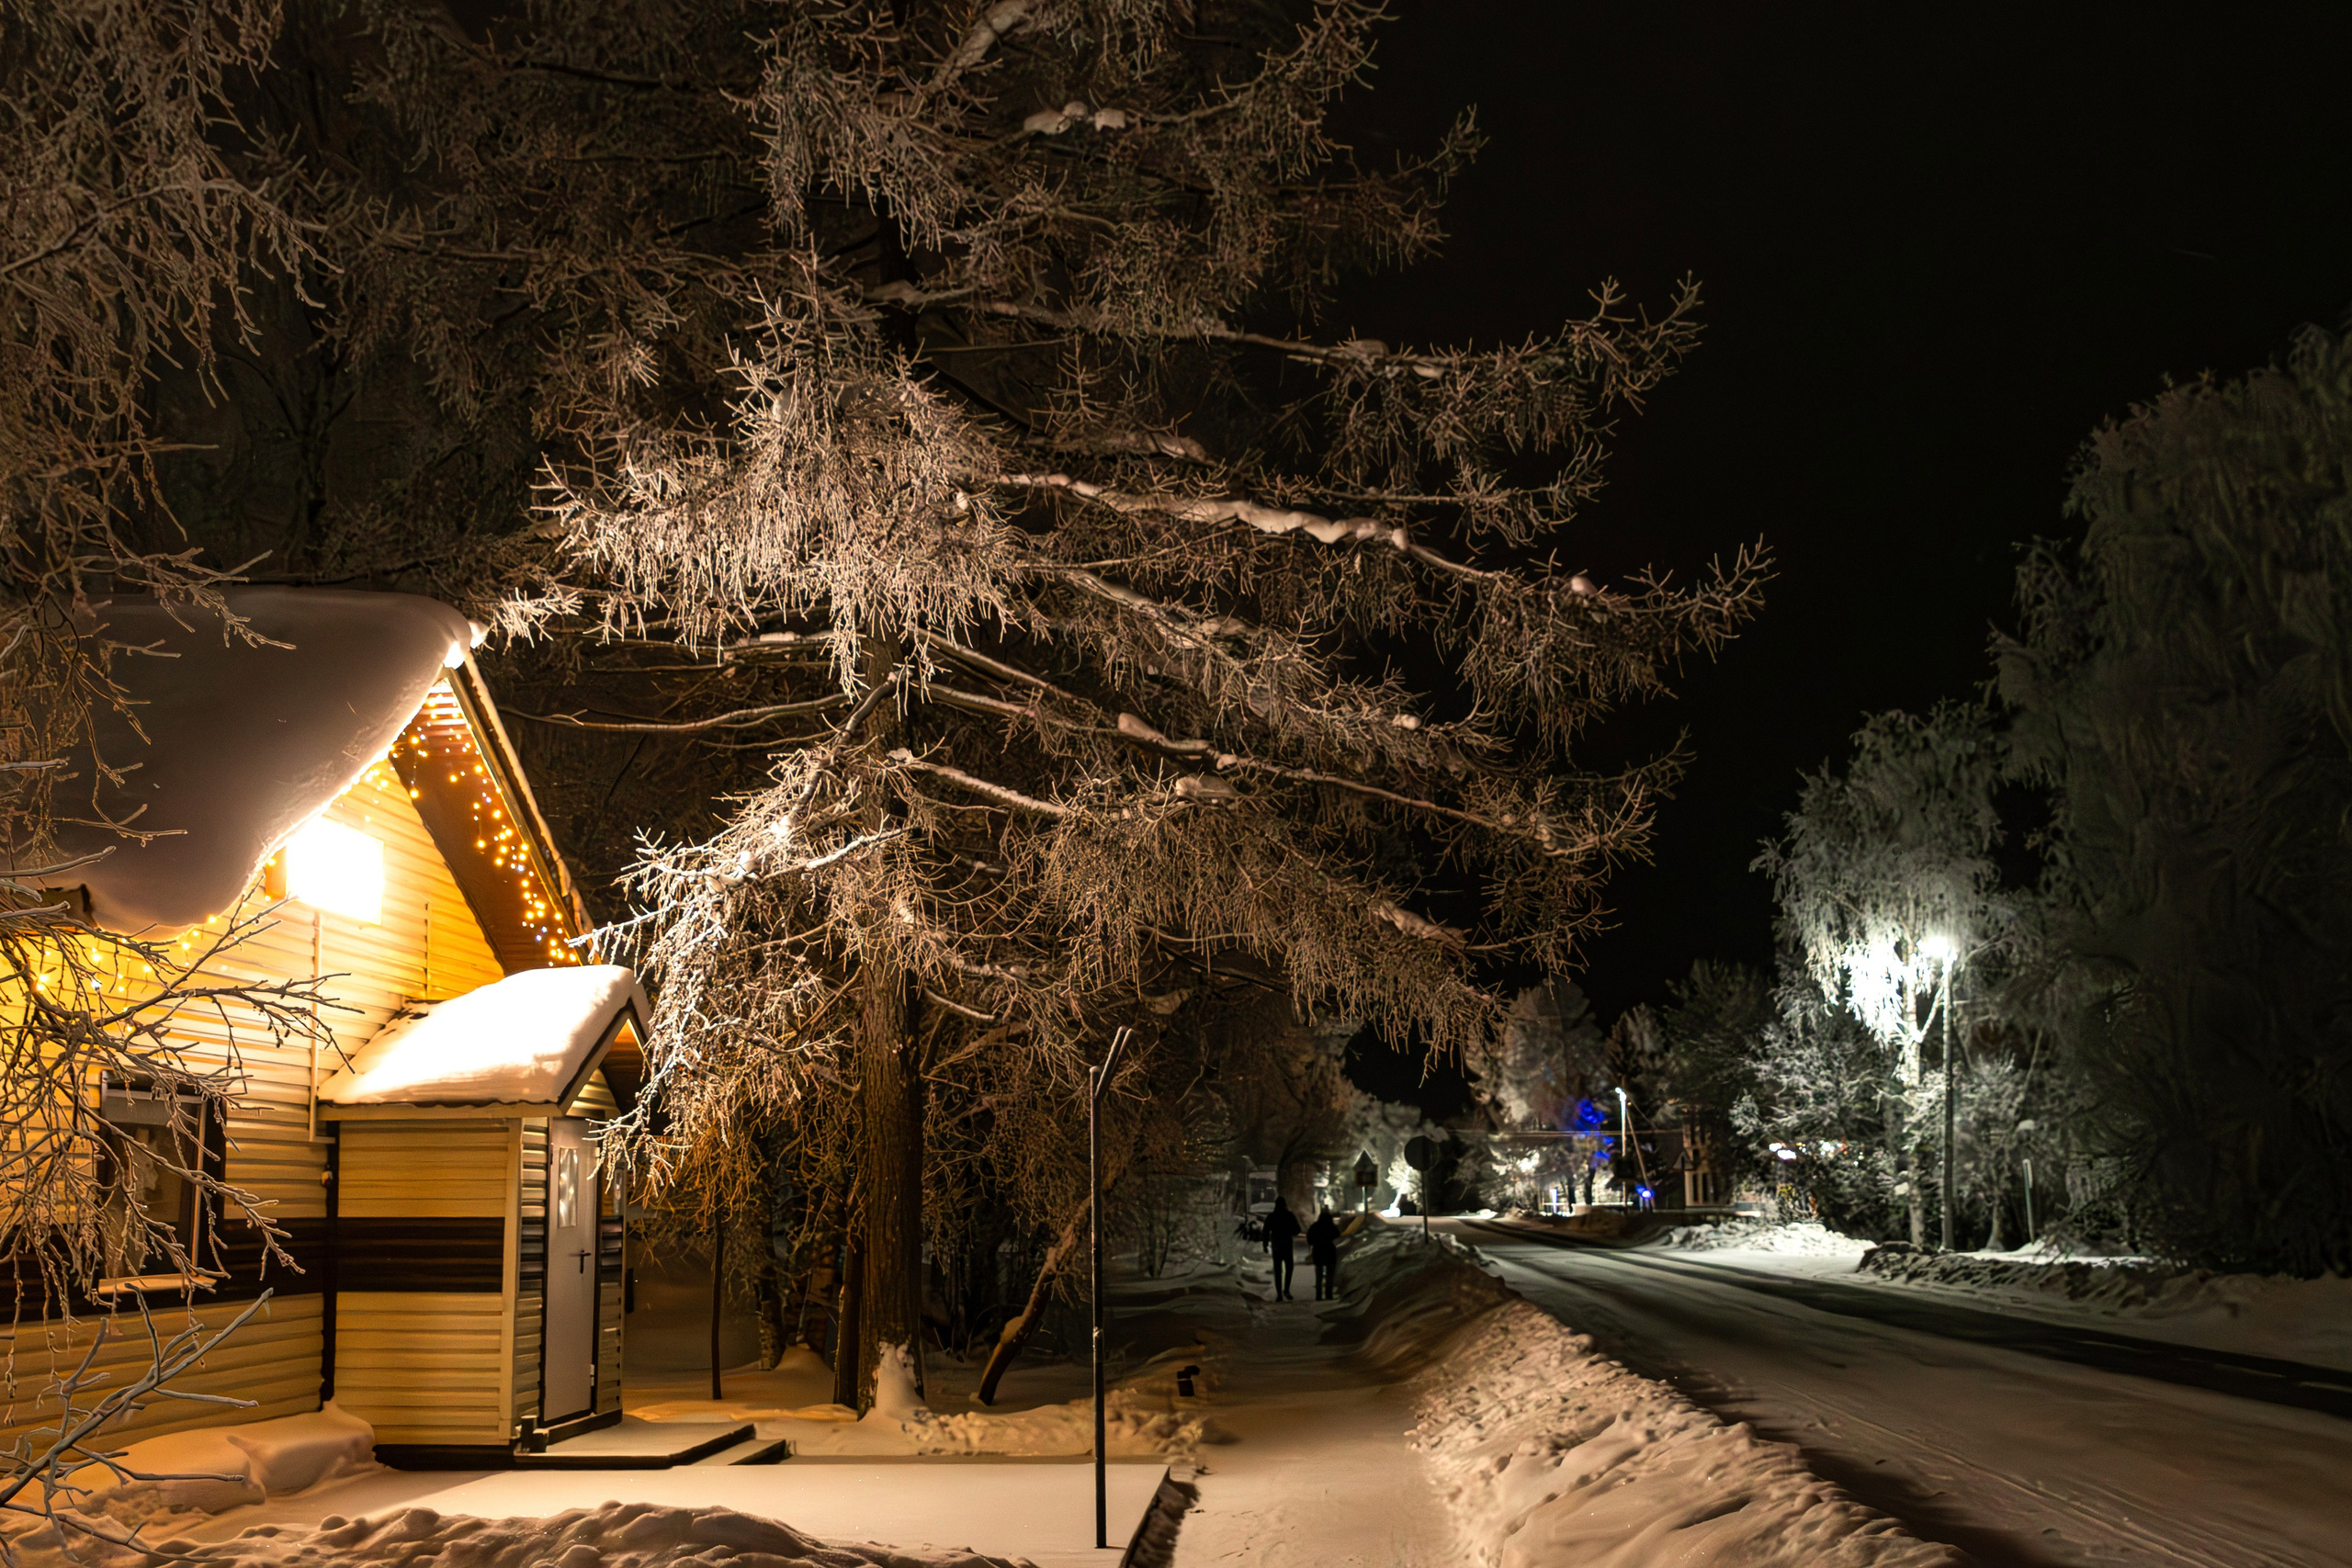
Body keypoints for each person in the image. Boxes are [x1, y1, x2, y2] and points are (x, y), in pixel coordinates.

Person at [1263, 1200, 1303, 1300]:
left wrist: (1265, 1244)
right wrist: (1288, 1232)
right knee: (1289, 1267)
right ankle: (1286, 1290)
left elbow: (1266, 1231)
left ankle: (1279, 1293)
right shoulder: (1289, 1216)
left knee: (1277, 1269)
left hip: (1276, 1245)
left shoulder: (1272, 1216)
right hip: (1287, 1244)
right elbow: (1297, 1229)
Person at [1306, 1206, 1341, 1300]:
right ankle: (1328, 1294)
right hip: (1329, 1252)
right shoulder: (1332, 1226)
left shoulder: (1315, 1227)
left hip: (1318, 1251)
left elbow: (1310, 1240)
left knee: (1319, 1275)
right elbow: (1338, 1235)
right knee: (1330, 1275)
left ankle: (1318, 1295)